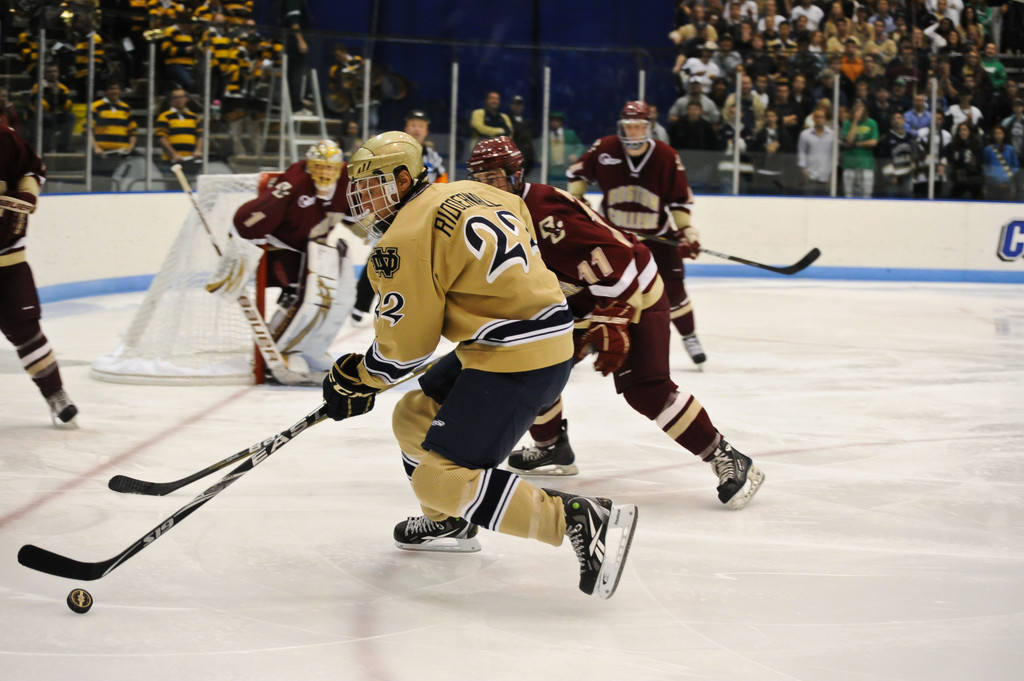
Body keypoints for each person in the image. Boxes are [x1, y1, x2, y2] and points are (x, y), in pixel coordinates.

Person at [329, 130, 638, 598]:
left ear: (403, 177)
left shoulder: (402, 241)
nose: (364, 199)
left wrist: (357, 377)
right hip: (533, 336)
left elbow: (406, 350)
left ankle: (576, 519)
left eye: (373, 186)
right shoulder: (479, 192)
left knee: (437, 479)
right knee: (413, 413)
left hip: (515, 357)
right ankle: (450, 525)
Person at [469, 136, 765, 509]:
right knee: (532, 364)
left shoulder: (544, 211)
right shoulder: (490, 217)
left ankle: (726, 456)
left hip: (633, 289)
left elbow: (623, 258)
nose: (484, 186)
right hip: (579, 301)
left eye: (492, 176)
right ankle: (551, 449)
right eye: (478, 177)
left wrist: (613, 317)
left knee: (645, 387)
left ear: (515, 174)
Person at [568, 101, 706, 367]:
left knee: (674, 289)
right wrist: (576, 199)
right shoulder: (606, 147)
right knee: (600, 288)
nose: (632, 132)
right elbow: (577, 172)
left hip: (657, 237)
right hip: (613, 237)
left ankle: (689, 336)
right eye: (628, 126)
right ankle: (595, 336)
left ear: (648, 128)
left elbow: (678, 200)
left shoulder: (666, 155)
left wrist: (686, 230)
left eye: (638, 127)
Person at [209, 140, 353, 380]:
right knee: (298, 296)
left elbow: (356, 212)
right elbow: (248, 217)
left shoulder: (347, 182)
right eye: (319, 166)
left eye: (330, 168)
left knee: (333, 298)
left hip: (311, 249)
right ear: (309, 166)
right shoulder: (293, 184)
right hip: (281, 248)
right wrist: (239, 250)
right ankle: (273, 351)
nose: (325, 173)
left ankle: (307, 350)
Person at [0, 125, 78, 425]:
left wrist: (25, 194)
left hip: (8, 260)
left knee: (27, 331)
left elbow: (33, 169)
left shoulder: (5, 138)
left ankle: (55, 393)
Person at [351, 110, 448, 324]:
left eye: (420, 125)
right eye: (413, 124)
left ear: (426, 130)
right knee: (379, 257)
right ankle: (360, 305)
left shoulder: (433, 157)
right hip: (392, 211)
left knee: (423, 263)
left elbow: (442, 180)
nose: (416, 128)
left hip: (421, 213)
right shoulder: (391, 153)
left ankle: (422, 308)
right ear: (406, 128)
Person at [90, 81, 138, 176]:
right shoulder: (96, 106)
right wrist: (96, 148)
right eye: (111, 88)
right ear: (106, 91)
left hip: (120, 155)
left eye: (117, 88)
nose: (115, 91)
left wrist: (130, 148)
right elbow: (88, 130)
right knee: (101, 184)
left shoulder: (126, 108)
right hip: (102, 155)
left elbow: (132, 131)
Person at [28, 64, 75, 154]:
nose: (52, 74)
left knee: (70, 117)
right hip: (37, 118)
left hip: (54, 116)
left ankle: (62, 147)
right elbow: (41, 108)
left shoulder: (62, 88)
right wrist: (52, 94)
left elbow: (67, 108)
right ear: (44, 74)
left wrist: (60, 96)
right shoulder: (38, 87)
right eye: (49, 72)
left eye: (55, 71)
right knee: (47, 117)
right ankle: (44, 147)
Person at [155, 88, 203, 175]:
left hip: (190, 161)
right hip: (170, 161)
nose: (179, 100)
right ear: (171, 100)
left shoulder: (194, 117)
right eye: (176, 98)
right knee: (171, 187)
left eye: (181, 97)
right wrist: (173, 153)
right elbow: (161, 137)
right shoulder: (165, 116)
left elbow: (200, 135)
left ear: (186, 99)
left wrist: (198, 150)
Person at [841, 98, 879, 197]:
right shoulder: (847, 123)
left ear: (865, 108)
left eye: (860, 106)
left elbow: (873, 142)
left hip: (866, 165)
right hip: (850, 165)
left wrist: (856, 144)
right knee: (848, 195)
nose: (857, 108)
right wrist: (855, 121)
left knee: (866, 195)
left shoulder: (872, 123)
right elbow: (849, 140)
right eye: (855, 105)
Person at [877, 111, 919, 197]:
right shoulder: (886, 138)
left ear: (904, 120)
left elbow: (914, 155)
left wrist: (913, 171)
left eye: (899, 118)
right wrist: (890, 176)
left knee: (908, 202)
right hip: (893, 177)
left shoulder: (909, 137)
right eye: (894, 118)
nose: (897, 121)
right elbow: (884, 159)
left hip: (907, 175)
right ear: (891, 121)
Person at [798, 106, 835, 195]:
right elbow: (801, 152)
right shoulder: (805, 134)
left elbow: (834, 153)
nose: (819, 119)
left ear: (825, 119)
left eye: (821, 117)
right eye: (817, 117)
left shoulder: (832, 134)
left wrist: (833, 171)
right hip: (810, 175)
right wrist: (803, 169)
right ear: (814, 119)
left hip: (826, 175)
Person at [546, 110, 585, 187]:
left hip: (565, 169)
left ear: (561, 122)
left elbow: (580, 147)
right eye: (552, 121)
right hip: (551, 170)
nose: (554, 123)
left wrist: (576, 155)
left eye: (556, 121)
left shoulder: (569, 134)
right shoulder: (546, 136)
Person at [947, 121, 984, 200]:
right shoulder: (953, 145)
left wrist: (975, 164)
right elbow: (947, 156)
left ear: (969, 132)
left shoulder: (976, 145)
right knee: (952, 198)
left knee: (979, 199)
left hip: (974, 179)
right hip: (960, 180)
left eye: (965, 130)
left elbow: (980, 161)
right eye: (960, 130)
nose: (962, 132)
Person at [982, 124, 1019, 200]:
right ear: (993, 135)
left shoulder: (1010, 149)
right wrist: (992, 178)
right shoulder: (988, 149)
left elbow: (1015, 166)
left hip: (1006, 184)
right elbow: (986, 166)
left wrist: (1007, 178)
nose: (998, 135)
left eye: (1000, 133)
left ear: (1004, 134)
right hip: (992, 184)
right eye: (996, 133)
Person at [507, 95, 537, 175]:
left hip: (526, 161)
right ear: (510, 105)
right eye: (515, 104)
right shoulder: (507, 120)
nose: (517, 106)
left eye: (519, 104)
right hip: (512, 160)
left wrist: (531, 159)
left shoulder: (527, 123)